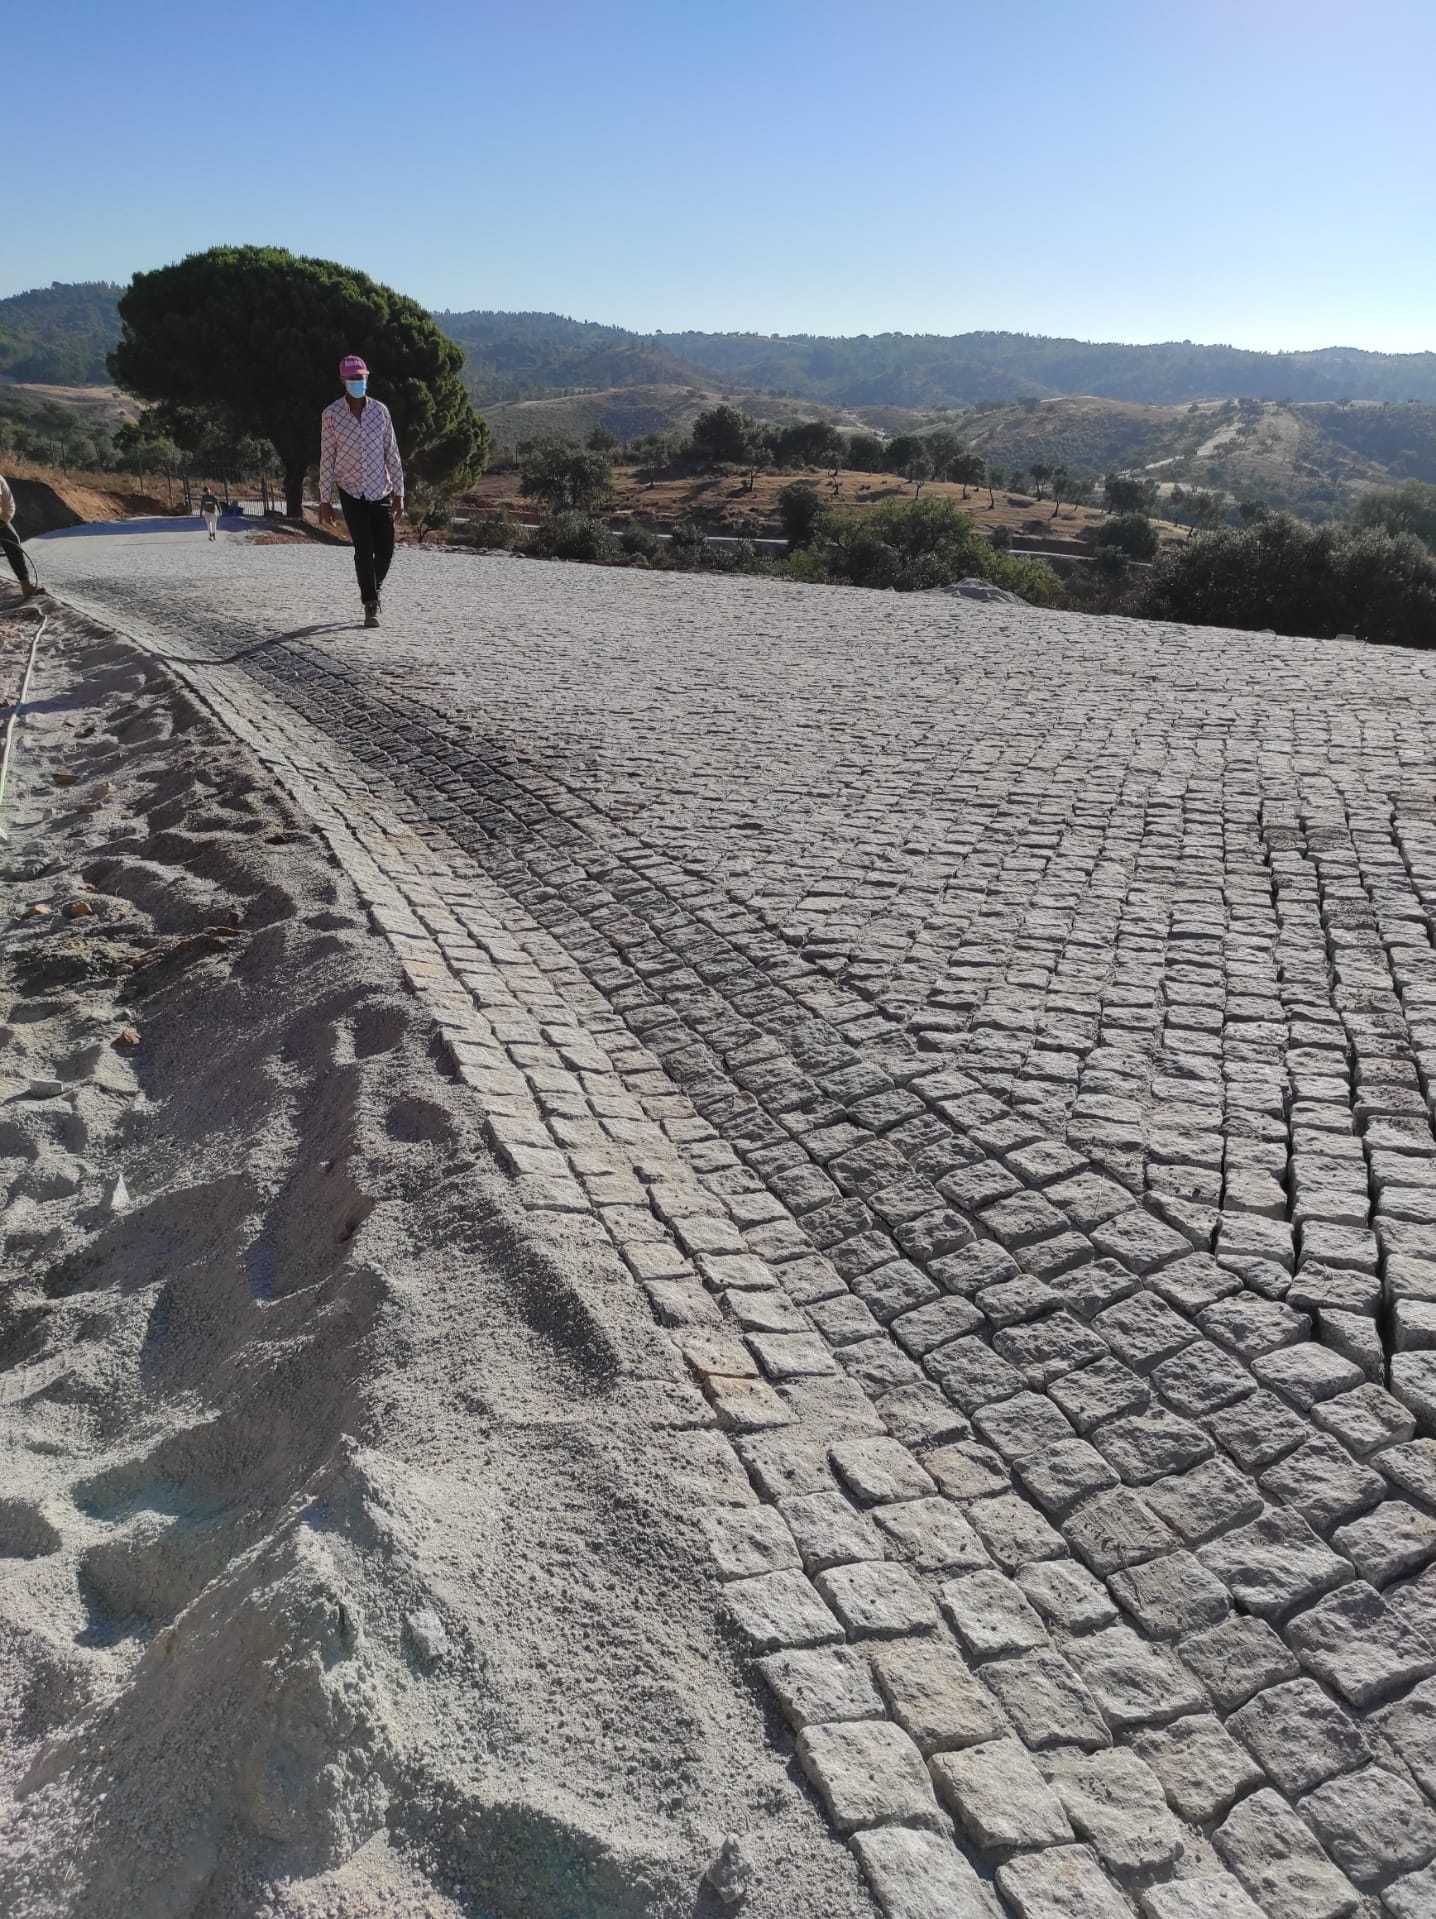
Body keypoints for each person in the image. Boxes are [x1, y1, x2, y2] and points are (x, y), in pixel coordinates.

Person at [317, 354, 404, 628]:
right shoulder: (331, 415)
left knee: (387, 549)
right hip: (351, 491)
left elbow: (392, 452)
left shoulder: (381, 411)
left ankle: (373, 588)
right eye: (353, 378)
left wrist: (400, 493)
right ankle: (370, 603)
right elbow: (327, 458)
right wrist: (325, 499)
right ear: (343, 380)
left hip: (380, 490)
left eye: (362, 377)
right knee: (363, 549)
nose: (358, 382)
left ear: (367, 377)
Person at [0, 475, 44, 602]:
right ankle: (26, 586)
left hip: (2, 518)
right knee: (13, 543)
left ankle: (26, 586)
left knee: (13, 544)